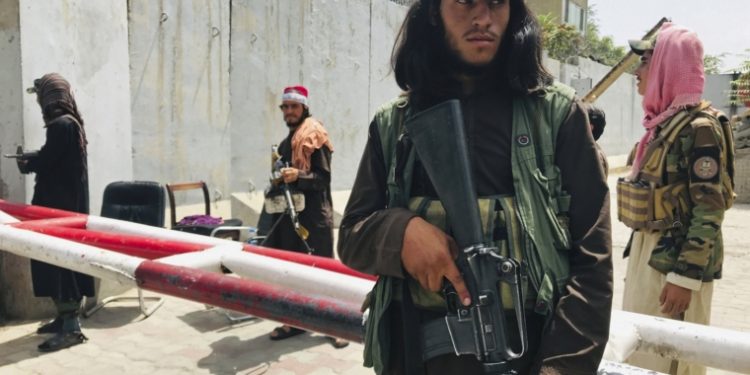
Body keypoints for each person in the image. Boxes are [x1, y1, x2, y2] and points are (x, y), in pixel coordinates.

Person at [338, 1, 612, 374]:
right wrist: (400, 233)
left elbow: (593, 268)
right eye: (466, 2)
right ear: (434, 11)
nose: (483, 18)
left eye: (496, 3)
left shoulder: (556, 116)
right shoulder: (395, 125)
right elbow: (352, 236)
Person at [619, 23, 734, 375]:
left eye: (646, 61)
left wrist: (684, 278)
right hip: (650, 254)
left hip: (675, 264)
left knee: (669, 359)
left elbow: (709, 209)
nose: (637, 71)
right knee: (640, 355)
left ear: (669, 66)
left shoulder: (699, 128)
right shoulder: (663, 123)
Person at [263, 85, 348, 349]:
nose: (288, 111)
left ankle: (336, 325)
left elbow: (323, 179)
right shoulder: (289, 141)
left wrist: (297, 175)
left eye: (293, 107)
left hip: (314, 218)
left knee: (322, 272)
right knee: (295, 273)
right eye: (285, 107)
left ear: (304, 108)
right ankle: (297, 323)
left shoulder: (314, 137)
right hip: (292, 217)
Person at [17, 73, 94, 352]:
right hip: (60, 206)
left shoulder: (62, 125)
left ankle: (71, 328)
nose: (39, 102)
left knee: (60, 262)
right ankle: (63, 319)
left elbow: (50, 161)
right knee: (53, 261)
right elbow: (56, 158)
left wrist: (31, 162)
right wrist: (36, 159)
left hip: (60, 209)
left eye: (40, 96)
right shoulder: (66, 125)